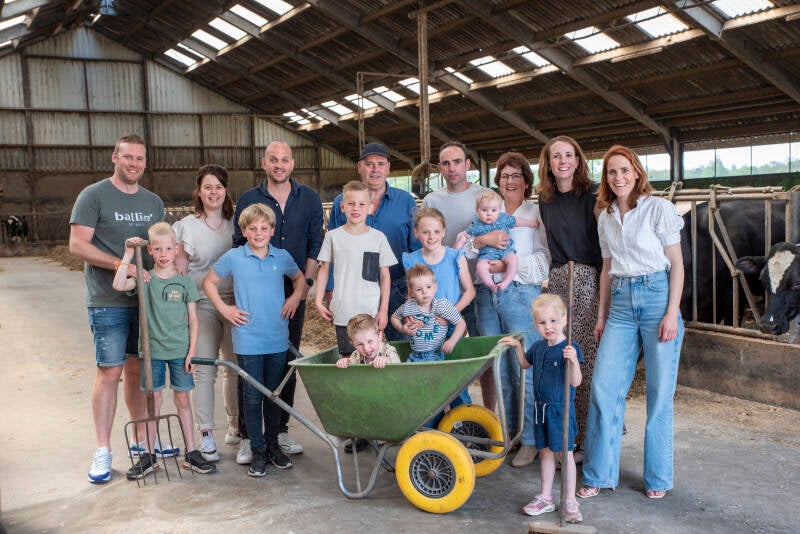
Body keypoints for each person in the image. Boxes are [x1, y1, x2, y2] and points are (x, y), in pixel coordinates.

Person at [578, 145, 684, 500]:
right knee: (603, 388)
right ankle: (599, 474)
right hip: (621, 303)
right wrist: (602, 315)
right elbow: (607, 269)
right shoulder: (605, 217)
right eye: (612, 172)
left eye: (624, 170)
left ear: (637, 172)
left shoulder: (659, 209)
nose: (618, 177)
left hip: (657, 297)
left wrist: (671, 313)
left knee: (659, 394)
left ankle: (658, 478)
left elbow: (677, 264)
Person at [69, 133, 165, 484]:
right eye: (128, 157)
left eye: (139, 158)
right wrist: (121, 266)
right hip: (107, 300)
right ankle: (103, 449)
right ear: (115, 157)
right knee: (109, 371)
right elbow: (77, 245)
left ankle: (141, 441)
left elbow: (159, 247)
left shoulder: (153, 202)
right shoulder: (93, 195)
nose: (134, 164)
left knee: (138, 370)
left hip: (144, 301)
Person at [232, 141, 323, 461]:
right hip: (257, 293)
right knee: (250, 363)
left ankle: (280, 430)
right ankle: (248, 435)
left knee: (286, 359)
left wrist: (302, 290)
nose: (279, 164)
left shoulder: (309, 198)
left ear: (292, 164)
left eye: (284, 159)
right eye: (273, 159)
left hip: (294, 292)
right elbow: (238, 244)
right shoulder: (249, 198)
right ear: (264, 163)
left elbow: (315, 244)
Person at [203, 203, 305, 477]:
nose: (258, 233)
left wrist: (295, 298)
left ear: (272, 230)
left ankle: (273, 446)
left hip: (277, 336)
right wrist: (225, 309)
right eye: (252, 228)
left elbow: (299, 279)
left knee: (273, 393)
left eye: (263, 228)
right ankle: (257, 449)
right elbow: (208, 282)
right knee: (251, 396)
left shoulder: (281, 256)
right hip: (248, 337)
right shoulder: (234, 257)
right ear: (244, 231)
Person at [111, 223, 216, 478]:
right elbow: (118, 284)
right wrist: (128, 255)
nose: (164, 254)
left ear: (176, 249)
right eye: (157, 249)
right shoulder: (145, 279)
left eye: (168, 248)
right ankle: (149, 455)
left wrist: (192, 351)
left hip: (180, 350)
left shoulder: (184, 281)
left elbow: (194, 320)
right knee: (153, 401)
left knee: (182, 399)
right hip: (152, 352)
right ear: (149, 250)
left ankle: (192, 452)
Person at [467, 152, 550, 468]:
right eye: (504, 176)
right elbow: (466, 249)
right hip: (487, 295)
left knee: (523, 365)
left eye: (516, 176)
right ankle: (510, 433)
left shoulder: (536, 213)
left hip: (520, 292)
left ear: (527, 182)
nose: (510, 181)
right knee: (499, 365)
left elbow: (545, 258)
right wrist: (481, 241)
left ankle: (529, 440)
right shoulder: (488, 210)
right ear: (497, 181)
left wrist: (508, 266)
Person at [536, 135, 602, 461]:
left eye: (568, 155)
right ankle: (565, 439)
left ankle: (588, 440)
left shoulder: (593, 194)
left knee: (584, 358)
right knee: (560, 355)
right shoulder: (545, 199)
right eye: (556, 156)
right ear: (548, 163)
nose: (562, 161)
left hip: (588, 277)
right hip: (560, 278)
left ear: (578, 160)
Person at [173, 164, 238, 463]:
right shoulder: (187, 226)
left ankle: (235, 425)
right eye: (208, 187)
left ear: (226, 191)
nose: (214, 192)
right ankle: (207, 432)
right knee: (204, 369)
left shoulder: (236, 223)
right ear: (198, 191)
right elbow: (180, 271)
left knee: (234, 367)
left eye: (219, 187)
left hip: (235, 302)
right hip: (202, 303)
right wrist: (182, 310)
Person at [422, 141, 494, 409]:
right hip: (443, 290)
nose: (451, 168)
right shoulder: (432, 200)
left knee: (483, 353)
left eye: (457, 162)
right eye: (446, 163)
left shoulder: (484, 195)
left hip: (480, 285)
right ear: (440, 168)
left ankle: (488, 413)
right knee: (441, 350)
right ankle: (445, 411)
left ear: (467, 164)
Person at [500, 294, 584, 522]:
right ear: (535, 324)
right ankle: (546, 497)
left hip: (560, 411)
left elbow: (575, 381)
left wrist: (573, 361)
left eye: (553, 321)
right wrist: (517, 346)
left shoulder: (570, 348)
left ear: (564, 319)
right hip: (540, 410)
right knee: (545, 452)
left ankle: (570, 501)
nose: (548, 327)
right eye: (542, 322)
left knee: (565, 454)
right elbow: (524, 364)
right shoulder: (538, 347)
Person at [327, 143, 419, 341]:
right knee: (358, 346)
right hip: (353, 290)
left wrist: (415, 285)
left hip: (398, 288)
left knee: (400, 345)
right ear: (360, 167)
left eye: (380, 164)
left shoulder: (406, 201)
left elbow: (415, 247)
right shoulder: (341, 203)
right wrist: (330, 288)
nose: (375, 169)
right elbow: (332, 251)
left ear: (388, 168)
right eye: (369, 164)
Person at [315, 180, 397, 356]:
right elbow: (324, 269)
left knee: (372, 356)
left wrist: (383, 310)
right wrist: (318, 301)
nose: (356, 208)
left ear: (370, 208)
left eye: (361, 204)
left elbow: (385, 276)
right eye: (351, 203)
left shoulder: (378, 238)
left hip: (370, 311)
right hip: (343, 311)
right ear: (342, 207)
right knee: (348, 358)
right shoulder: (332, 237)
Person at [455, 189, 539, 292]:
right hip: (486, 255)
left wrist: (530, 223)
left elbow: (516, 221)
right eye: (484, 210)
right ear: (477, 210)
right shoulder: (476, 224)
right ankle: (491, 285)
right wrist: (456, 250)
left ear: (499, 210)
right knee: (480, 267)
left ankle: (507, 281)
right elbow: (464, 236)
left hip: (506, 250)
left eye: (493, 210)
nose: (489, 214)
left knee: (513, 260)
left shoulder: (503, 218)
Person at [391, 263, 467, 362]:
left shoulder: (442, 305)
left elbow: (461, 323)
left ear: (435, 287)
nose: (424, 292)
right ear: (412, 292)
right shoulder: (409, 306)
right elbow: (394, 317)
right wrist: (402, 328)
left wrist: (452, 340)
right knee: (406, 371)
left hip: (434, 354)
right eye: (419, 289)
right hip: (414, 355)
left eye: (428, 287)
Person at [336, 314, 401, 368]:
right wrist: (345, 363)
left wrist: (388, 361)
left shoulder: (389, 351)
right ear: (352, 343)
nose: (366, 348)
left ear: (379, 336)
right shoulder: (356, 355)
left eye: (370, 341)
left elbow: (399, 370)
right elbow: (353, 373)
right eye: (360, 344)